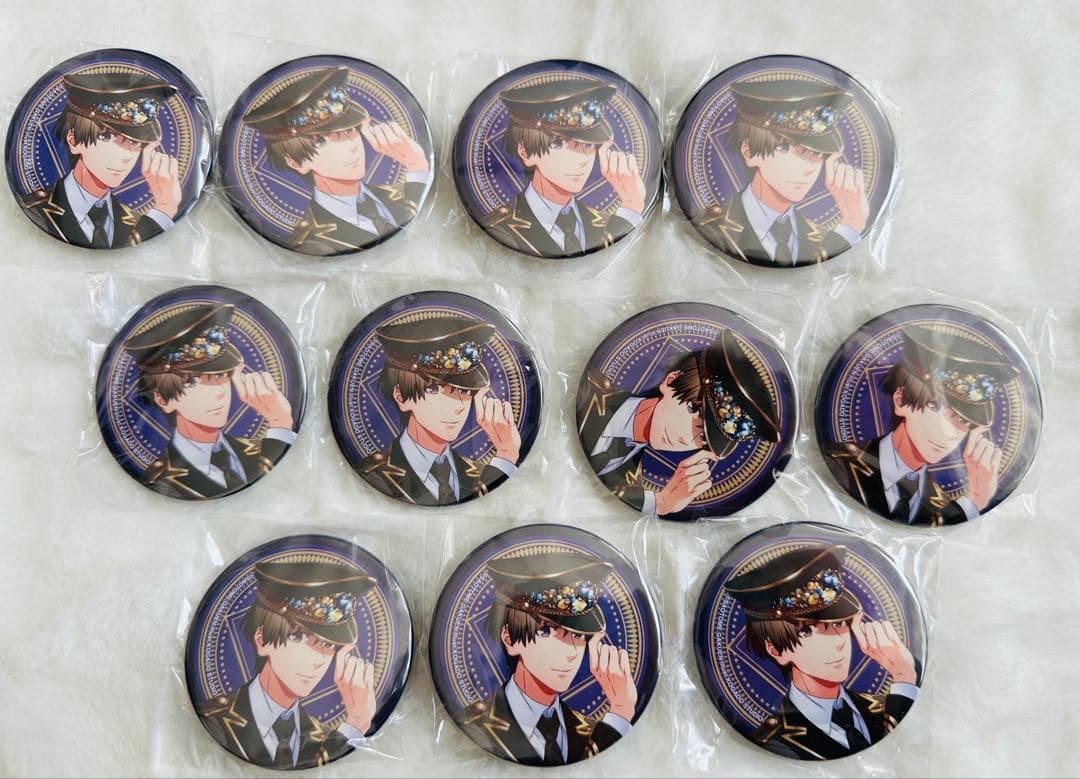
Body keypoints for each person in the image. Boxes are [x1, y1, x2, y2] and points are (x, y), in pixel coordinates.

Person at [724, 544, 918, 760]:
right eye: (807, 631)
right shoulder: (776, 742)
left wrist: (904, 675)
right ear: (777, 650)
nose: (838, 642)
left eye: (840, 623)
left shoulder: (884, 704)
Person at [455, 550, 637, 765]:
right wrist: (619, 714)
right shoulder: (472, 727)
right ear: (510, 639)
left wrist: (620, 711)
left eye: (579, 636)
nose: (570, 653)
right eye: (546, 631)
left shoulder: (591, 729)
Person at [824, 326, 1019, 525]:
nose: (950, 433)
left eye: (964, 421)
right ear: (900, 400)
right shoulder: (838, 461)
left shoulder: (942, 502)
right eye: (936, 407)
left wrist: (975, 498)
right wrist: (973, 501)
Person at [577, 329, 780, 517]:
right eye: (693, 409)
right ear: (671, 381)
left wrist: (662, 502)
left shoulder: (630, 479)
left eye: (703, 438)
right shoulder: (588, 392)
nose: (683, 438)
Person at [197, 560, 378, 769]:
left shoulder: (324, 736)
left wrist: (355, 722)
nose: (318, 660)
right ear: (262, 640)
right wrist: (354, 725)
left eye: (328, 645)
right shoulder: (214, 720)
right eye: (298, 637)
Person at [241, 65, 431, 255]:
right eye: (323, 141)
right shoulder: (314, 243)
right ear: (297, 162)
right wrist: (417, 168)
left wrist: (417, 165)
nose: (352, 144)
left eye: (350, 130)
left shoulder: (395, 193)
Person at [122, 302, 296, 499]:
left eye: (221, 375)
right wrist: (281, 426)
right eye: (192, 382)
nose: (218, 392)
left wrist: (280, 421)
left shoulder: (258, 448)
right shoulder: (161, 482)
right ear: (163, 400)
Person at [694, 79, 869, 266]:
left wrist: (852, 223)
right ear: (749, 152)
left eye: (817, 154)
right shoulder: (711, 227)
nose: (808, 168)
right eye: (785, 148)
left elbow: (821, 276)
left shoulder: (821, 237)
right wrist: (851, 226)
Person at [358, 315, 520, 505]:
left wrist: (506, 453)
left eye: (465, 391)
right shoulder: (370, 474)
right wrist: (505, 459)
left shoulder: (480, 472)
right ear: (401, 397)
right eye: (434, 390)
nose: (458, 406)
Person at [483, 76, 647, 257]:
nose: (583, 159)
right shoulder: (500, 230)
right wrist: (630, 210)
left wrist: (631, 205)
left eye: (589, 145)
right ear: (526, 153)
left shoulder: (605, 222)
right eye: (558, 144)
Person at [23, 73, 182, 248]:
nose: (127, 156)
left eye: (135, 142)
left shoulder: (134, 220)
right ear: (73, 141)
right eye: (107, 137)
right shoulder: (35, 209)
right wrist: (163, 212)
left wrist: (164, 208)